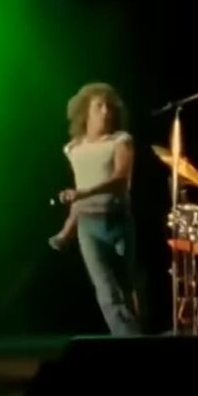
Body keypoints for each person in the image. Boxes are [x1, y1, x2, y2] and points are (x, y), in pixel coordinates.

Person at [56, 82, 141, 336]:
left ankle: (137, 337)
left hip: (118, 222)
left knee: (126, 288)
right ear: (85, 112)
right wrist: (66, 230)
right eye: (99, 106)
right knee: (106, 291)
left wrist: (85, 192)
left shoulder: (121, 141)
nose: (106, 111)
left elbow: (121, 179)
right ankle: (129, 341)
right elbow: (78, 194)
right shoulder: (74, 148)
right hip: (88, 227)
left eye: (109, 106)